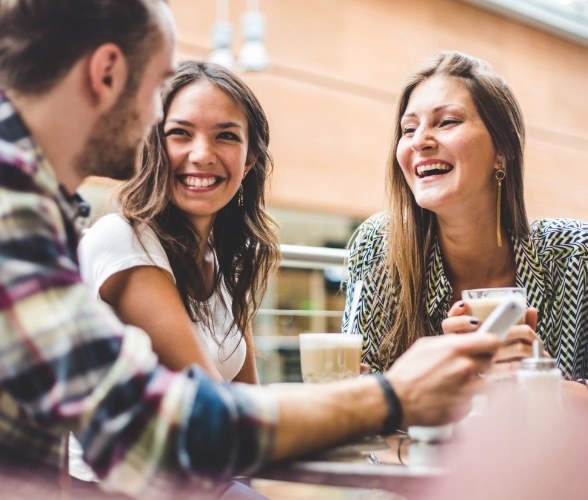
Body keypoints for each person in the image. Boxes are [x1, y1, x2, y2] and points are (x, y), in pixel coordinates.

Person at [0, 3, 501, 497]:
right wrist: (391, 395)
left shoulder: (45, 207)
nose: (157, 119)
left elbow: (170, 413)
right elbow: (156, 428)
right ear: (107, 72)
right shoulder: (20, 210)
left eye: (225, 136)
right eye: (159, 93)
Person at [343, 50, 588, 383]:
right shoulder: (378, 247)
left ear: (502, 151)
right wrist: (432, 382)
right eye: (409, 128)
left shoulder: (575, 254)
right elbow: (355, 390)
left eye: (446, 122)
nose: (420, 142)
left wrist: (544, 383)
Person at [78, 59, 279, 384]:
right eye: (180, 133)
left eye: (226, 135)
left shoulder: (224, 259)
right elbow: (216, 405)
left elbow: (247, 398)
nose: (202, 154)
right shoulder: (124, 241)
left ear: (249, 160)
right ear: (153, 146)